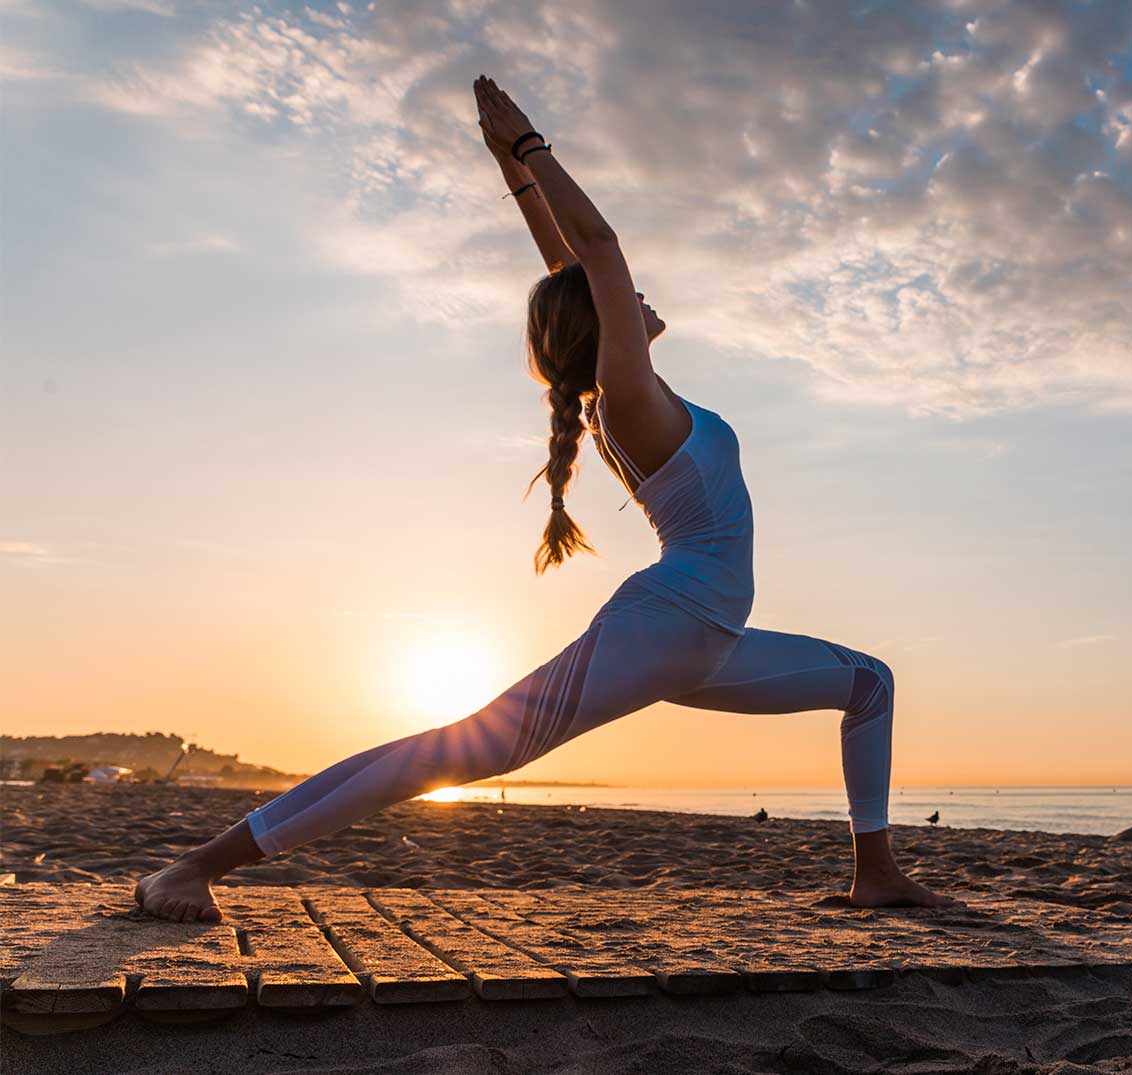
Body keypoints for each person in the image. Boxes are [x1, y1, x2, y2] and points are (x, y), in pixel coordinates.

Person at [134, 75, 954, 922]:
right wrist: (531, 145)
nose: (639, 297)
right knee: (455, 750)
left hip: (710, 638)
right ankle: (200, 863)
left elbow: (569, 265)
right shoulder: (626, 396)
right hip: (666, 626)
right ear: (607, 324)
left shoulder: (633, 390)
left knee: (869, 682)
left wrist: (517, 180)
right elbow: (594, 251)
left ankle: (876, 872)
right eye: (623, 300)